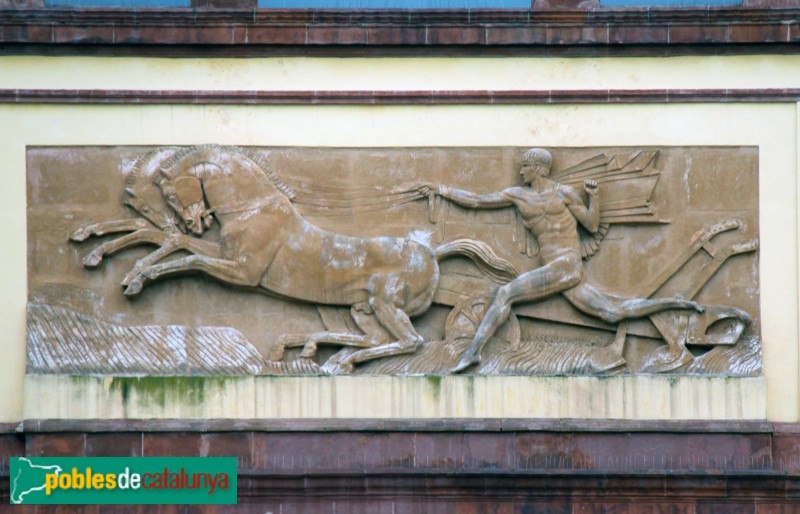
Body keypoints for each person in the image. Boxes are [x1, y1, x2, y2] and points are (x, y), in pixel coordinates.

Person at [420, 148, 703, 373]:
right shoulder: (517, 196)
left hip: (566, 264)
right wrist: (442, 191)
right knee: (612, 312)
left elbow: (592, 225)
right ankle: (675, 303)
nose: (520, 171)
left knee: (505, 293)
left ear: (539, 169)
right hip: (559, 271)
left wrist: (595, 198)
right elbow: (478, 201)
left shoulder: (565, 194)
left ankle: (473, 353)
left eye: (525, 167)